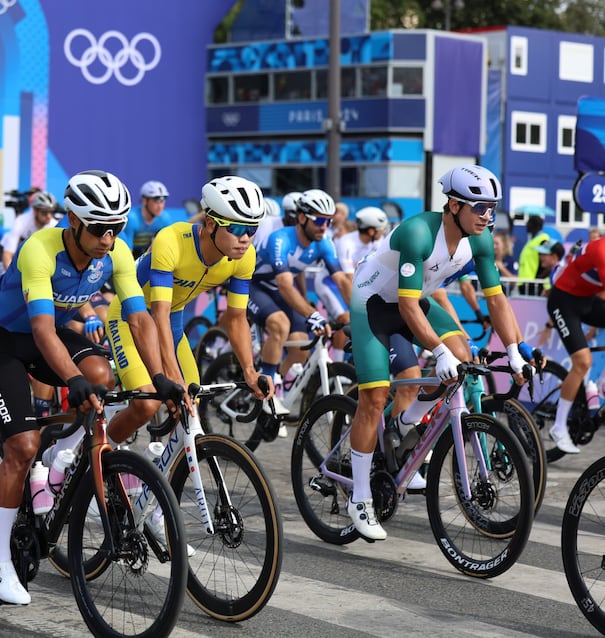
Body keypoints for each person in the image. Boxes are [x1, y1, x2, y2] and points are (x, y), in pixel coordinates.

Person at [0, 170, 182, 606]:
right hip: (2, 338)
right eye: (100, 228)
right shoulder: (40, 250)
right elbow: (44, 329)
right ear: (73, 220)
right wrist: (72, 379)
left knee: (104, 377)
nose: (109, 238)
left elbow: (139, 318)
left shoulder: (117, 253)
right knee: (21, 446)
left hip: (43, 334)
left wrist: (160, 376)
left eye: (117, 228)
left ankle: (62, 453)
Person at [346, 164, 528, 541]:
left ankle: (406, 422)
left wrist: (513, 350)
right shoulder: (418, 232)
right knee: (376, 396)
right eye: (479, 208)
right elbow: (407, 308)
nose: (487, 216)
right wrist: (437, 349)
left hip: (415, 302)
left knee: (465, 356)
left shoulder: (479, 239)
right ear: (454, 204)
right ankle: (359, 497)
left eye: (492, 207)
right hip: (376, 305)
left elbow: (496, 299)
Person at [104, 175, 269, 448]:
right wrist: (171, 375)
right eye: (238, 228)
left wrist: (249, 370)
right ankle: (97, 459)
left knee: (192, 405)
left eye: (253, 229)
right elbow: (158, 314)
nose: (246, 238)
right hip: (129, 317)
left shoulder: (244, 256)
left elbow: (237, 317)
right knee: (148, 405)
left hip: (173, 322)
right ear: (211, 223)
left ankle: (161, 479)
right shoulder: (171, 240)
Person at [249, 189, 350, 415]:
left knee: (301, 346)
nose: (325, 226)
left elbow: (341, 280)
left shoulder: (324, 243)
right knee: (280, 325)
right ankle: (266, 388)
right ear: (302, 218)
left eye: (329, 221)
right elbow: (285, 284)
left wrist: (361, 312)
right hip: (255, 286)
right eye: (320, 220)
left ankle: (277, 385)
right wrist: (311, 314)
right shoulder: (280, 239)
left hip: (279, 291)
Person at [545, 236, 605, 454]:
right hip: (563, 301)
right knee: (582, 362)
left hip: (586, 300)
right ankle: (559, 427)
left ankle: (596, 386)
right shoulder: (602, 250)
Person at [0, 191, 58, 269]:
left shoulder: (54, 225)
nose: (49, 216)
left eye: (51, 212)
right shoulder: (21, 222)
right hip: (13, 255)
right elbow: (8, 255)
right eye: (45, 212)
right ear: (35, 210)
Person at [119, 180, 174, 258]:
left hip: (148, 253)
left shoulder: (165, 218)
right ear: (145, 201)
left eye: (162, 201)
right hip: (131, 254)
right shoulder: (132, 218)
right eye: (156, 201)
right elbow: (127, 252)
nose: (160, 206)